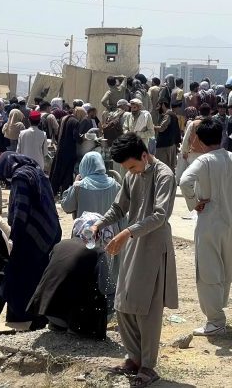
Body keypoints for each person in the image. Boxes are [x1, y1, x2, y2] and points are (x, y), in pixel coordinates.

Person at [90, 133, 178, 387]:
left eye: (132, 166)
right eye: (127, 169)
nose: (131, 172)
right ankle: (134, 358)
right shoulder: (131, 175)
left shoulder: (164, 175)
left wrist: (127, 232)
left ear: (144, 155)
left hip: (153, 245)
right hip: (132, 242)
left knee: (147, 308)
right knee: (123, 302)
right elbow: (120, 207)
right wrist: (99, 223)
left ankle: (148, 366)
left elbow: (160, 215)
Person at [0, 152, 62, 326]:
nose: (6, 181)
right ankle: (40, 317)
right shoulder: (37, 172)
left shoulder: (20, 177)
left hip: (31, 235)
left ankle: (22, 317)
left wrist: (15, 239)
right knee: (40, 275)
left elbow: (20, 210)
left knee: (22, 276)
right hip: (50, 233)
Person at [180, 119, 232, 336]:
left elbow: (185, 181)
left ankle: (215, 320)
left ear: (200, 140)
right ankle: (220, 307)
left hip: (210, 220)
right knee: (227, 266)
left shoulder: (204, 160)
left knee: (208, 270)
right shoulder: (230, 157)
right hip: (230, 220)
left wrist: (194, 202)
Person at [28, 217, 118, 339]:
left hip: (48, 312)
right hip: (73, 318)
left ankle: (58, 325)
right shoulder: (97, 252)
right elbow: (106, 288)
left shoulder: (60, 245)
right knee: (113, 295)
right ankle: (83, 328)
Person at [61, 151, 121, 219]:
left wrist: (74, 185)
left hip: (87, 226)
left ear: (84, 165)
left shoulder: (79, 186)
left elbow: (67, 207)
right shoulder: (115, 185)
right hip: (110, 226)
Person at [49, 108, 82, 197]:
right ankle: (65, 193)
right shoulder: (75, 122)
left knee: (57, 171)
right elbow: (76, 137)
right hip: (70, 151)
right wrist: (82, 138)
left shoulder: (64, 118)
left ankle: (53, 191)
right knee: (68, 172)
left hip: (61, 148)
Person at [154, 100, 181, 172]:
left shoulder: (168, 115)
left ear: (163, 105)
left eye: (158, 106)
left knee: (162, 167)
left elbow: (162, 128)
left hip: (164, 146)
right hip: (172, 144)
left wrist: (152, 127)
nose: (157, 108)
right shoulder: (173, 114)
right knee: (170, 167)